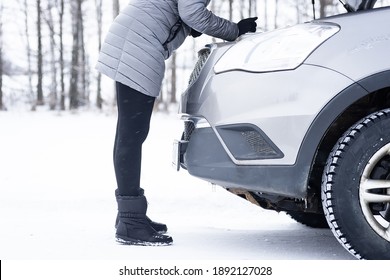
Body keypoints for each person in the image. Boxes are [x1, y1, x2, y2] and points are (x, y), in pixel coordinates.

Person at [96, 0, 257, 246]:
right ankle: (130, 220)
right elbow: (192, 12)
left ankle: (129, 217)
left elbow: (181, 11)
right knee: (132, 134)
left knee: (130, 133)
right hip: (139, 44)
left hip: (133, 38)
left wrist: (185, 24)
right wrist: (234, 30)